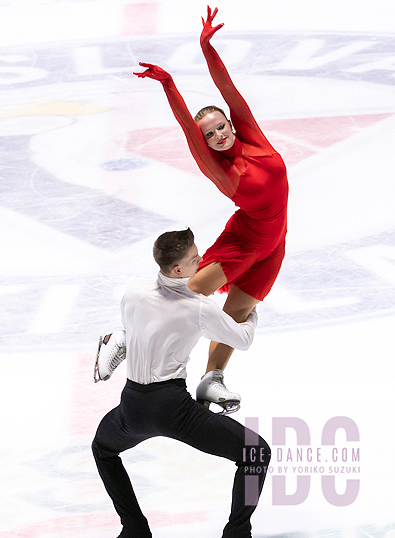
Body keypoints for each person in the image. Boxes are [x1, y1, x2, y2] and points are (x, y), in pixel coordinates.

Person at [92, 228, 277, 538]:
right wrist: (248, 308)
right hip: (172, 409)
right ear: (177, 270)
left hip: (132, 405)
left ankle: (134, 530)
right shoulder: (199, 308)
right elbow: (243, 339)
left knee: (103, 448)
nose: (201, 259)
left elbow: (133, 330)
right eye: (194, 258)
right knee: (256, 453)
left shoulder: (132, 291)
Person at [134, 6, 289, 407]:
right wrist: (169, 84)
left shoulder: (253, 137)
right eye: (210, 133)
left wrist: (206, 48)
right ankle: (122, 338)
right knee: (184, 294)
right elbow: (189, 126)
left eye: (221, 126)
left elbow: (228, 89)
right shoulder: (220, 169)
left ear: (231, 125)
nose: (218, 134)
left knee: (236, 313)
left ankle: (210, 381)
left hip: (275, 243)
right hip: (245, 239)